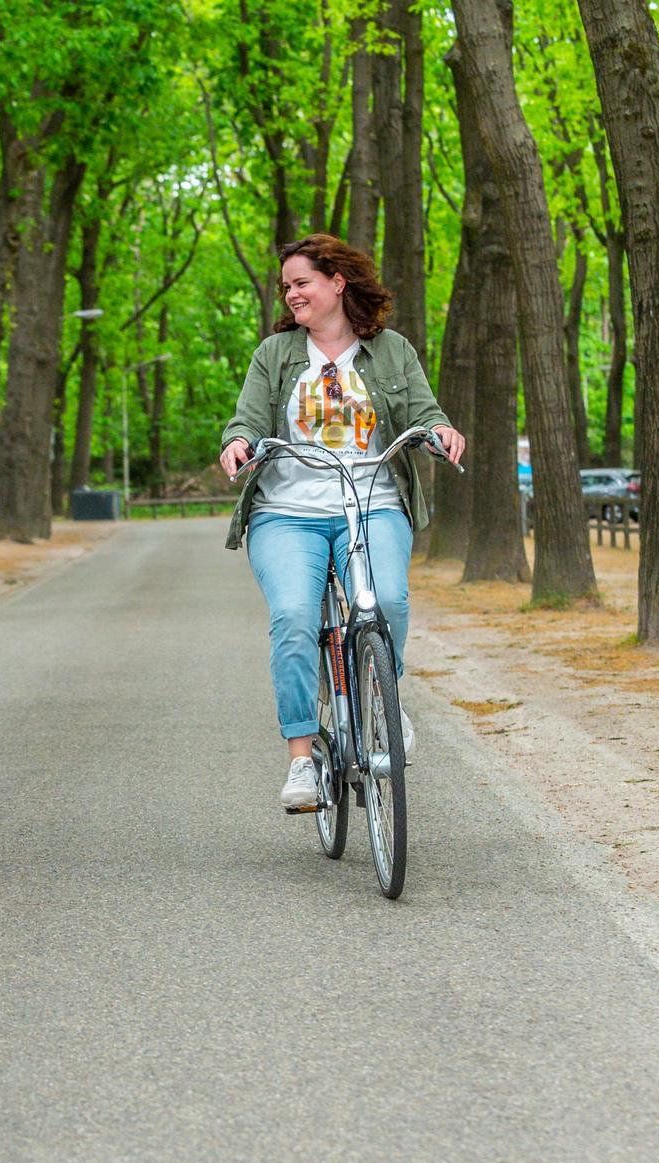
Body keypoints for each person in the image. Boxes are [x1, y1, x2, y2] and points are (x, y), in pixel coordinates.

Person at [218, 234, 466, 810]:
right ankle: (302, 759)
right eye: (287, 286)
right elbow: (246, 419)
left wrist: (439, 432)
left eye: (301, 282)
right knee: (294, 617)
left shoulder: (392, 350)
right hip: (287, 513)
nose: (292, 294)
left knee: (387, 601)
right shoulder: (275, 354)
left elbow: (425, 412)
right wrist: (238, 442)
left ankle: (382, 700)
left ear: (337, 282)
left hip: (371, 501)